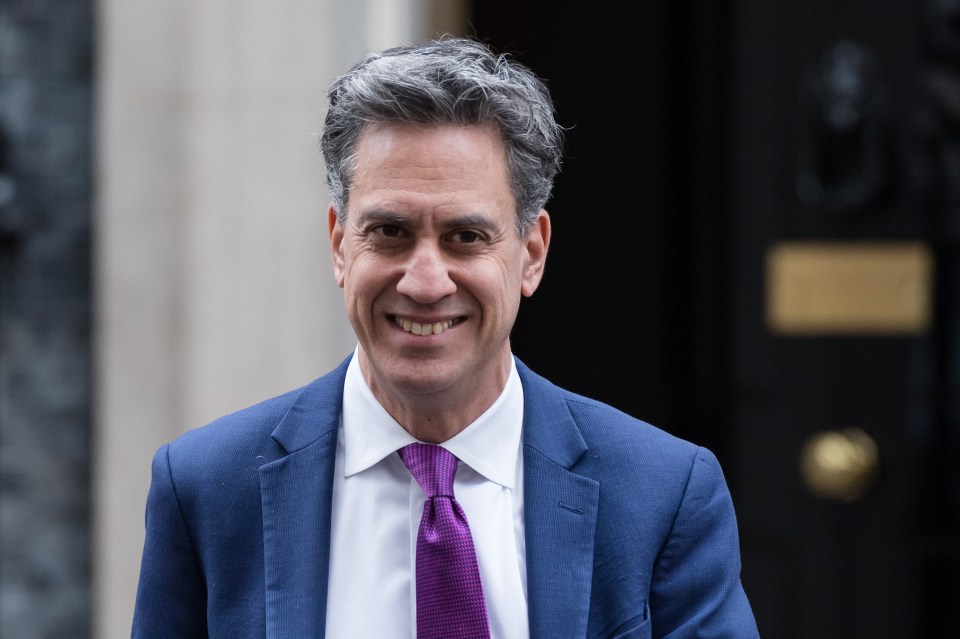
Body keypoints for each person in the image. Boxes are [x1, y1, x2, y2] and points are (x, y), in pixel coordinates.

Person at [132, 38, 759, 638]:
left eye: (465, 237)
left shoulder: (661, 496)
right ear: (339, 246)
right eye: (390, 232)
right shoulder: (207, 489)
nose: (426, 282)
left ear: (532, 253)